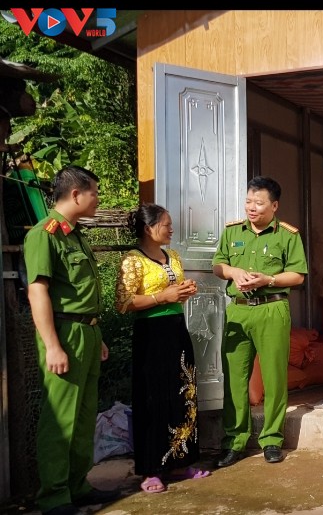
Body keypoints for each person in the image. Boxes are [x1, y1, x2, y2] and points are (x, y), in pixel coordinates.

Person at [23, 165, 120, 515]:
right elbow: (38, 291)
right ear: (76, 194)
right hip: (63, 333)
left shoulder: (75, 235)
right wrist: (52, 345)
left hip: (87, 333)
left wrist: (96, 333)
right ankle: (54, 495)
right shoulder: (44, 234)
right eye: (94, 192)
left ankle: (77, 486)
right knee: (60, 419)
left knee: (83, 415)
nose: (98, 199)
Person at [211, 176, 308, 467]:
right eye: (248, 201)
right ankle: (234, 441)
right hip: (239, 311)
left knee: (274, 377)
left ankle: (272, 439)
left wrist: (269, 279)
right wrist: (233, 272)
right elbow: (218, 265)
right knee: (234, 377)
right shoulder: (232, 231)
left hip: (272, 309)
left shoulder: (288, 235)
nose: (252, 208)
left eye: (259, 203)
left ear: (274, 206)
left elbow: (298, 276)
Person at [114, 203, 211, 493]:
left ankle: (181, 462)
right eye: (166, 224)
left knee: (183, 394)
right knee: (152, 397)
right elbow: (123, 303)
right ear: (149, 228)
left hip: (176, 330)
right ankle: (151, 470)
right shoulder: (133, 260)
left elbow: (173, 295)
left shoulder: (173, 256)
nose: (171, 229)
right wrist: (162, 297)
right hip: (151, 335)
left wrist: (183, 292)